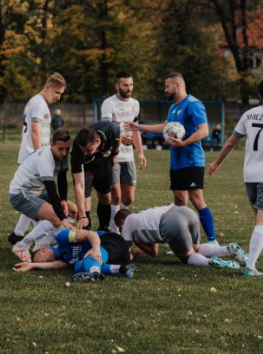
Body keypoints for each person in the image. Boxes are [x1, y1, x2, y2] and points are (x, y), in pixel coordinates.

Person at [209, 79, 263, 277]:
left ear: (259, 96)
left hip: (250, 175)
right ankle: (251, 266)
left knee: (261, 221)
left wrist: (216, 163)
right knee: (262, 221)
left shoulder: (248, 114)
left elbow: (231, 142)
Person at [126, 73, 218, 245]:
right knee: (179, 201)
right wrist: (140, 127)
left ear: (177, 85)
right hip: (176, 161)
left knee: (197, 199)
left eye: (167, 86)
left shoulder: (193, 104)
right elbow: (164, 126)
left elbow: (204, 130)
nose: (165, 89)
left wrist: (185, 142)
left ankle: (212, 240)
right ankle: (185, 242)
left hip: (191, 160)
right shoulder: (173, 107)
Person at [9, 73, 67, 245]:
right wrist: (39, 156)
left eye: (60, 93)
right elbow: (35, 131)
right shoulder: (39, 103)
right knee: (36, 201)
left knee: (34, 197)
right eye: (56, 92)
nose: (58, 97)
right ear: (47, 87)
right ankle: (36, 240)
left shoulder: (38, 101)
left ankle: (19, 233)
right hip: (32, 157)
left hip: (32, 157)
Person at [9, 128, 76, 262]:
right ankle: (21, 246)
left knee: (74, 211)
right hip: (21, 194)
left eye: (67, 148)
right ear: (52, 145)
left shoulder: (64, 155)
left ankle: (40, 245)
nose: (64, 152)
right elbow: (51, 191)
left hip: (38, 192)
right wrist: (63, 218)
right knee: (57, 217)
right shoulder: (45, 159)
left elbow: (62, 179)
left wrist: (63, 200)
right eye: (60, 149)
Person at [114, 205, 245, 270]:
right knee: (196, 248)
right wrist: (138, 246)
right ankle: (227, 249)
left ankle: (209, 262)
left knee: (188, 256)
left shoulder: (127, 223)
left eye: (119, 226)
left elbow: (124, 254)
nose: (120, 230)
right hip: (186, 211)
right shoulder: (142, 216)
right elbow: (154, 252)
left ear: (121, 221)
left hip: (170, 221)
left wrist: (129, 254)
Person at [99, 71, 147, 232]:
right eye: (125, 85)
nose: (129, 88)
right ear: (117, 86)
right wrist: (119, 138)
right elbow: (105, 129)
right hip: (112, 155)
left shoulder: (135, 104)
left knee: (129, 198)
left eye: (131, 84)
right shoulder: (108, 103)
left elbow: (135, 130)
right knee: (116, 194)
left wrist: (140, 152)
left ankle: (114, 219)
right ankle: (115, 230)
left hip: (129, 156)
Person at [12, 228, 136, 281]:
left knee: (88, 258)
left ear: (42, 251)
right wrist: (32, 265)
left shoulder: (62, 238)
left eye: (42, 261)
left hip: (109, 241)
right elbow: (55, 265)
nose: (45, 263)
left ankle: (94, 274)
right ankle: (121, 269)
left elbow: (91, 234)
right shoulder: (64, 259)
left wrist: (96, 248)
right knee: (77, 266)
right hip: (119, 258)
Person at [69, 121, 120, 231]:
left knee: (106, 197)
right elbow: (78, 185)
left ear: (97, 141)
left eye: (88, 150)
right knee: (85, 201)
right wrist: (82, 215)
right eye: (84, 151)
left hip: (103, 163)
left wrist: (115, 154)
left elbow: (117, 137)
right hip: (86, 169)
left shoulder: (110, 129)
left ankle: (104, 228)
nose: (86, 153)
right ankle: (86, 232)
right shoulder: (78, 151)